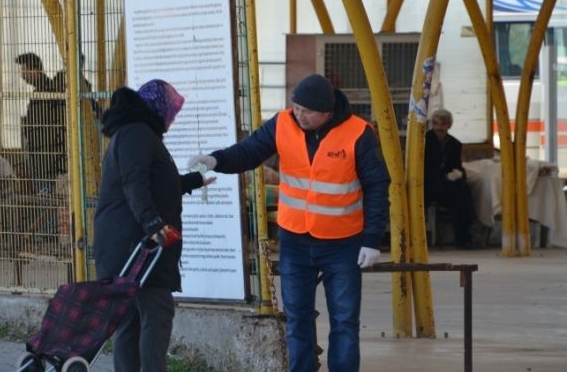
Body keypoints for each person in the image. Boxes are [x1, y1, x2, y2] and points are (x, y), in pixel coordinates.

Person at [189, 73, 390, 372]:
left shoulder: (359, 133)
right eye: (296, 106)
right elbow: (248, 151)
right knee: (297, 319)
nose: (299, 114)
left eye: (307, 111)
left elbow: (377, 185)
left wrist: (372, 239)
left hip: (343, 243)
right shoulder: (282, 123)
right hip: (295, 239)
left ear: (327, 112)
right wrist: (215, 160)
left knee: (345, 321)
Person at [93, 79, 213, 372]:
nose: (172, 118)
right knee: (155, 316)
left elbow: (157, 185)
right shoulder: (137, 134)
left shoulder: (134, 133)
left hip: (126, 245)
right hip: (140, 249)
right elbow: (135, 182)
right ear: (158, 108)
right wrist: (153, 223)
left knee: (130, 321)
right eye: (171, 111)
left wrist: (193, 181)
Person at [424, 108, 477, 249]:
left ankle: (463, 237)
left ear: (449, 125)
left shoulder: (454, 144)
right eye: (436, 124)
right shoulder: (425, 140)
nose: (439, 128)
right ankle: (464, 238)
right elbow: (424, 168)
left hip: (445, 185)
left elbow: (456, 165)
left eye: (443, 124)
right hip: (428, 184)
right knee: (459, 192)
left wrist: (459, 173)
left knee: (463, 191)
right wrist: (443, 176)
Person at [15, 53, 66, 193]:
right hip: (46, 158)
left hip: (47, 160)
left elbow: (46, 128)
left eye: (24, 70)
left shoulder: (46, 92)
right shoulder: (43, 91)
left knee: (49, 203)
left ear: (35, 70)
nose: (22, 75)